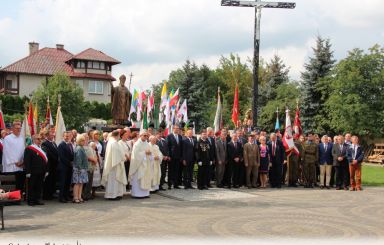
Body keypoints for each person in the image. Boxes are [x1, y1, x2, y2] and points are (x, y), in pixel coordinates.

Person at [102, 130, 127, 200]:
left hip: (113, 164)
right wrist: (124, 158)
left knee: (114, 181)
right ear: (118, 135)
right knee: (114, 180)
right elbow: (117, 154)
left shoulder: (111, 142)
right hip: (114, 165)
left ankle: (115, 194)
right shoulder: (114, 143)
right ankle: (112, 195)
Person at [24, 134, 48, 206]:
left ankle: (38, 199)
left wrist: (47, 170)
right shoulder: (29, 149)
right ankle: (31, 200)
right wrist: (28, 172)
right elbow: (27, 161)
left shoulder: (43, 148)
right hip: (33, 171)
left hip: (42, 171)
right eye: (37, 139)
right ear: (33, 140)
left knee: (39, 186)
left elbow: (46, 160)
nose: (39, 140)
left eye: (40, 139)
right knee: (32, 186)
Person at [2, 121, 25, 193]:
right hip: (11, 165)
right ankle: (8, 197)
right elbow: (7, 152)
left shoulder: (22, 138)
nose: (19, 130)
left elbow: (23, 151)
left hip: (20, 165)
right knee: (10, 182)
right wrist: (15, 162)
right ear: (12, 128)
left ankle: (18, 196)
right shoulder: (8, 138)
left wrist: (22, 161)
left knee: (19, 182)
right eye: (17, 128)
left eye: (20, 128)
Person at [129, 130, 152, 198]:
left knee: (145, 178)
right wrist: (145, 153)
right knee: (138, 179)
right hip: (138, 165)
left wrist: (149, 154)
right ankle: (137, 194)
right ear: (140, 136)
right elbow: (135, 155)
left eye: (147, 136)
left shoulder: (147, 144)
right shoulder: (137, 144)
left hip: (145, 164)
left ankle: (145, 193)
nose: (146, 137)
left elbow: (149, 152)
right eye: (144, 135)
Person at [41, 127, 59, 200]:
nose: (53, 135)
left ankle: (51, 193)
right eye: (51, 134)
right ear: (47, 135)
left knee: (53, 180)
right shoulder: (45, 143)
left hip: (55, 165)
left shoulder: (53, 143)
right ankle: (47, 195)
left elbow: (56, 152)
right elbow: (48, 154)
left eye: (53, 134)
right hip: (49, 165)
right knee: (48, 180)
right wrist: (56, 159)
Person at [58, 131, 74, 203]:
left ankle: (66, 196)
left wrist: (72, 162)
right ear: (63, 137)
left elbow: (71, 155)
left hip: (69, 167)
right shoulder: (61, 145)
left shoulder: (70, 144)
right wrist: (69, 163)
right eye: (66, 136)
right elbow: (62, 157)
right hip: (63, 167)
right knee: (63, 183)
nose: (67, 137)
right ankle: (61, 197)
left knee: (68, 182)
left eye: (68, 136)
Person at [72, 135, 89, 203]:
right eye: (82, 140)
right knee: (77, 183)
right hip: (79, 169)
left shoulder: (81, 148)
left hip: (82, 168)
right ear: (79, 141)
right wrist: (80, 168)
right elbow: (78, 159)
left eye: (84, 140)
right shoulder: (79, 148)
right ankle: (75, 197)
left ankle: (79, 196)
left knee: (81, 183)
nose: (84, 142)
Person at [166, 124, 183, 189]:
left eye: (178, 129)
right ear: (173, 129)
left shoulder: (180, 136)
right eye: (176, 128)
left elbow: (181, 147)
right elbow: (167, 147)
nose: (177, 130)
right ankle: (169, 184)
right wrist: (168, 155)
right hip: (171, 157)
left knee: (177, 171)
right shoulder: (169, 136)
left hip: (178, 157)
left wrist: (181, 156)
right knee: (171, 171)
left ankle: (176, 184)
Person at [82, 134, 98, 201]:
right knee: (85, 182)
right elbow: (85, 156)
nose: (87, 138)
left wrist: (95, 160)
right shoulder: (81, 146)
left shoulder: (89, 146)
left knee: (90, 182)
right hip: (86, 167)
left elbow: (94, 153)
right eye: (86, 137)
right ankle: (83, 195)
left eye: (88, 137)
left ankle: (88, 194)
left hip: (91, 167)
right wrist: (93, 159)